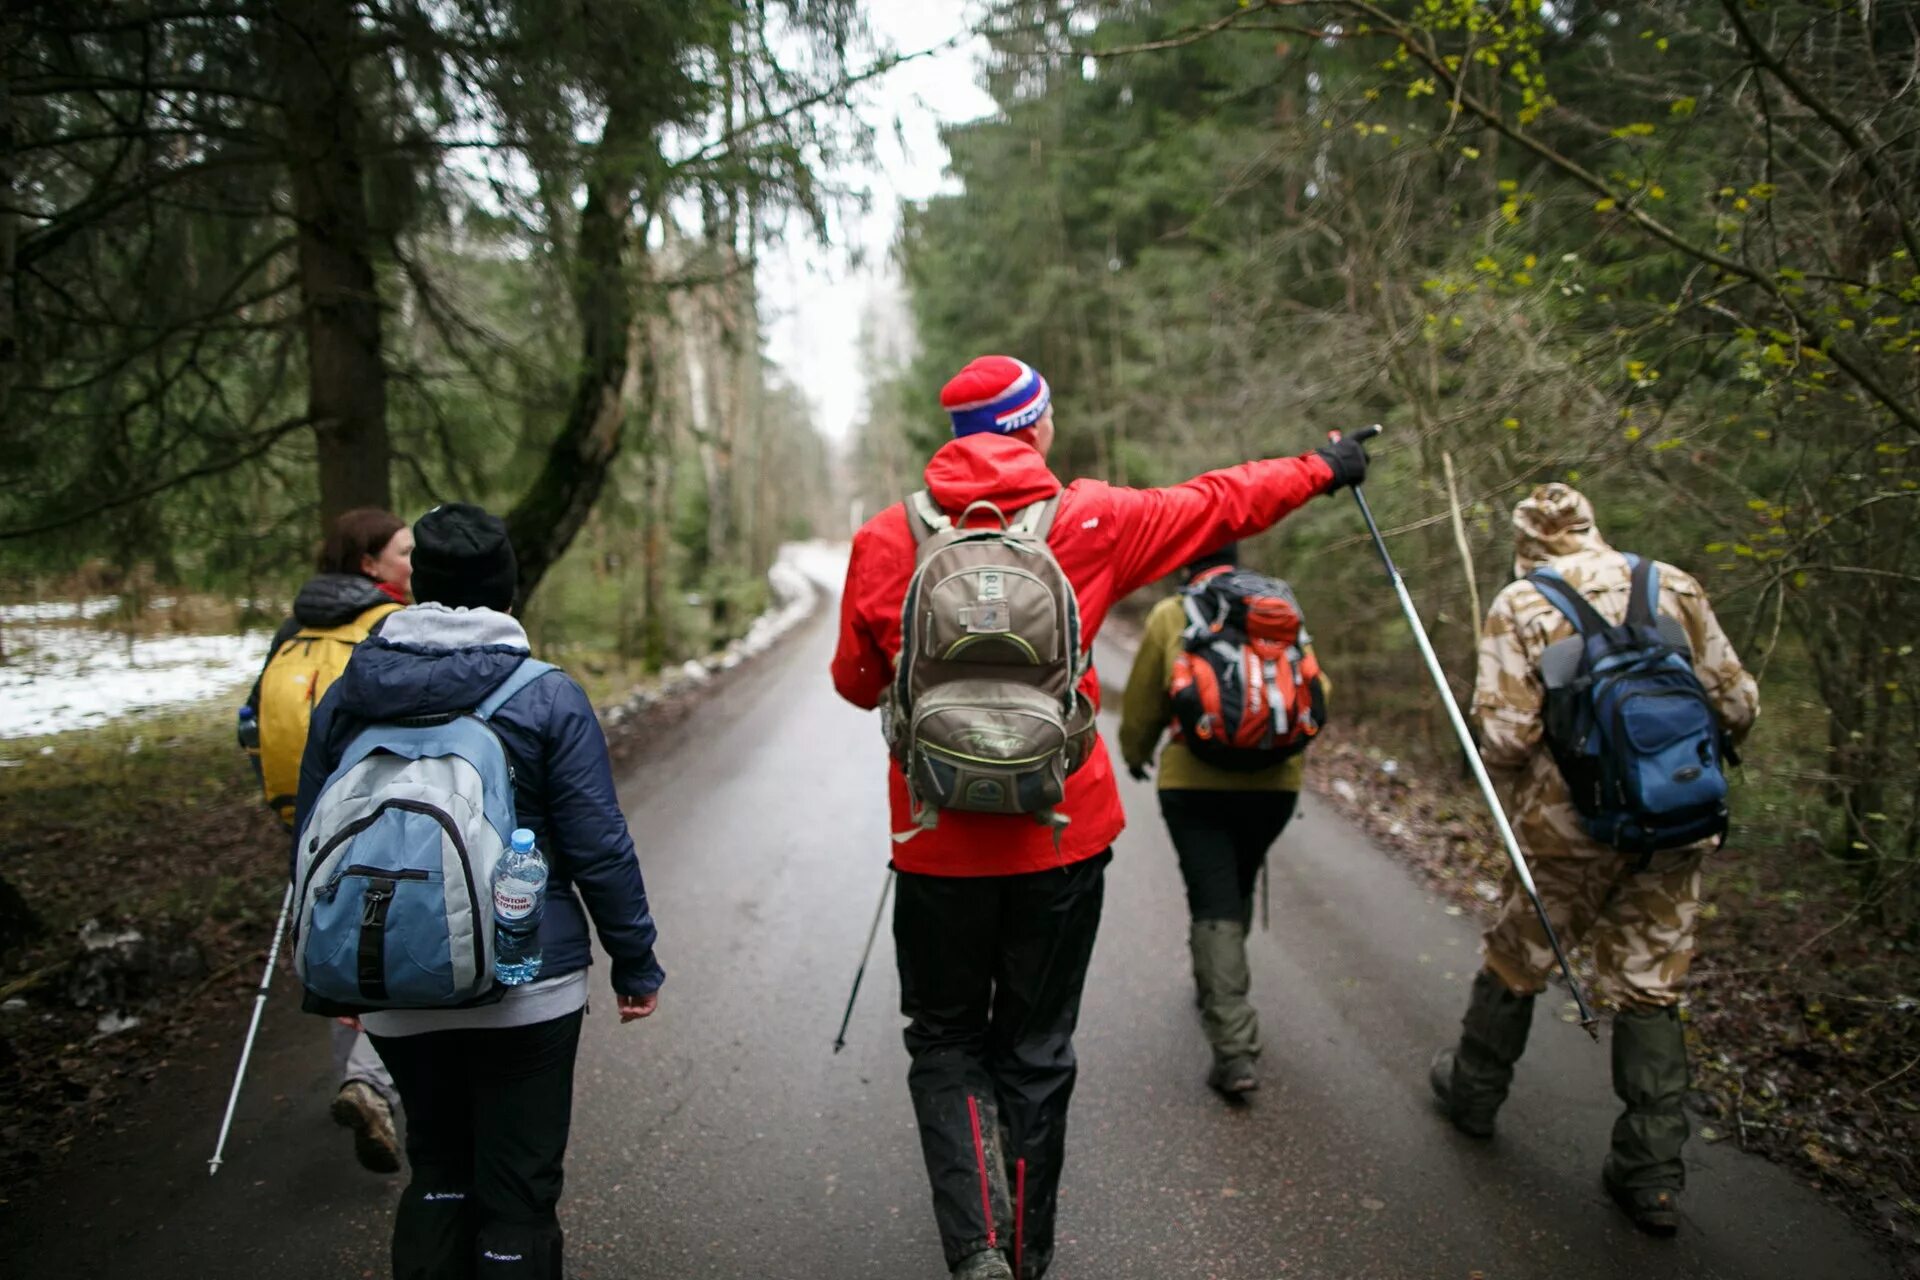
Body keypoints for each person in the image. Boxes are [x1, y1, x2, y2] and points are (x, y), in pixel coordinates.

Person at [831, 355, 1368, 1280]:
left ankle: (976, 1247)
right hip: (1061, 839)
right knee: (1035, 1051)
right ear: (1031, 427)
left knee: (946, 1042)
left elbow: (855, 684)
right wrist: (1325, 467)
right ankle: (1029, 1252)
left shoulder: (889, 535)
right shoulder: (1092, 519)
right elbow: (1223, 501)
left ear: (957, 438)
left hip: (935, 845)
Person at [293, 503, 665, 1280]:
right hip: (529, 983)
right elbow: (599, 845)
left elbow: (309, 839)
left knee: (438, 1175)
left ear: (418, 585)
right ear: (508, 589)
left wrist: (334, 970)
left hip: (396, 982)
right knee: (518, 1192)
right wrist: (635, 962)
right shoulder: (545, 694)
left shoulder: (352, 690)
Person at [1428, 483, 1758, 1236]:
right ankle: (1651, 1177)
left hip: (1567, 832)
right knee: (1650, 985)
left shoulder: (1522, 603)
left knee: (1519, 956)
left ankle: (1473, 1098)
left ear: (1526, 540)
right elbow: (1737, 703)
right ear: (1590, 526)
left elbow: (1508, 738)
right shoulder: (1670, 583)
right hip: (1676, 821)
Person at [1116, 543, 1326, 1098]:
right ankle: (1218, 986)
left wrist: (1135, 753)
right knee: (1235, 883)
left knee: (1211, 899)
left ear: (1188, 559)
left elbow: (1141, 705)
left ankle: (1233, 1049)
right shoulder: (1278, 605)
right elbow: (1317, 692)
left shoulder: (1173, 613)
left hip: (1194, 783)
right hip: (1276, 784)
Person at [243, 506, 414, 1172]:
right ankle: (371, 1080)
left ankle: (360, 1071)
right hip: (379, 808)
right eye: (403, 553)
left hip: (305, 811)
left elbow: (252, 721)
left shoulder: (295, 626)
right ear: (370, 565)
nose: (413, 563)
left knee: (338, 934)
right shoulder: (389, 625)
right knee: (391, 938)